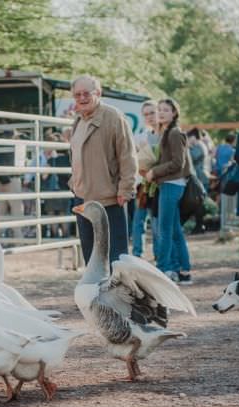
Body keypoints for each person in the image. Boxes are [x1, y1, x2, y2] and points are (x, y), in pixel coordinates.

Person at [69, 74, 137, 264]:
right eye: (77, 95)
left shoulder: (113, 116)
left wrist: (126, 189)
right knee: (91, 255)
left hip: (110, 197)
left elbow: (127, 155)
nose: (82, 98)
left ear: (98, 93)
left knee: (116, 256)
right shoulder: (78, 121)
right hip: (83, 197)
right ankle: (95, 293)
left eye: (86, 93)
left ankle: (120, 292)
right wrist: (73, 184)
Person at [145, 98, 193, 285]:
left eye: (166, 110)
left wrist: (154, 172)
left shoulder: (174, 133)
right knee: (174, 230)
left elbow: (177, 163)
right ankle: (183, 270)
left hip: (173, 184)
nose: (161, 113)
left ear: (174, 113)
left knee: (165, 229)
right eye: (160, 110)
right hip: (170, 184)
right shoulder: (167, 132)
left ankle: (164, 268)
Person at [132, 100, 159, 258]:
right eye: (146, 114)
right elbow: (134, 160)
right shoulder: (138, 137)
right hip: (141, 185)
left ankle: (158, 255)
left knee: (156, 224)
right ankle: (137, 255)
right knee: (138, 221)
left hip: (158, 185)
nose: (149, 116)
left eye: (152, 113)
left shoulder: (164, 136)